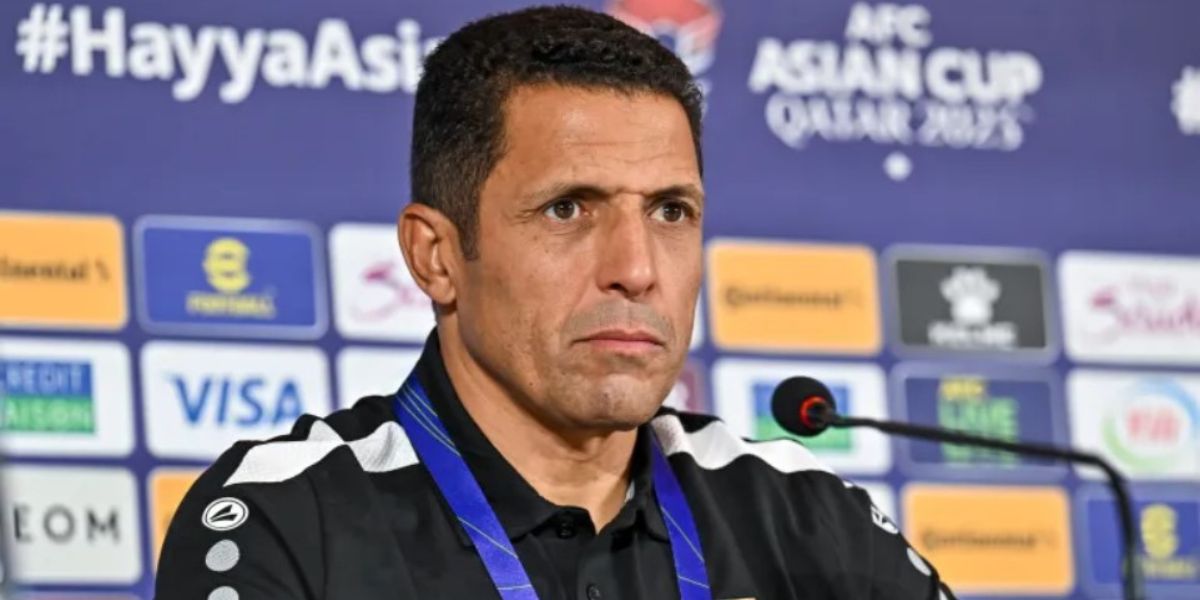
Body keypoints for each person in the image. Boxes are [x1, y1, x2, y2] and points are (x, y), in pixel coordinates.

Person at [156, 6, 956, 599]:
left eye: (670, 211)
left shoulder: (802, 517)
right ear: (436, 256)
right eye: (568, 209)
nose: (636, 270)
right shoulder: (288, 521)